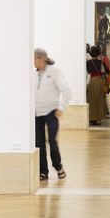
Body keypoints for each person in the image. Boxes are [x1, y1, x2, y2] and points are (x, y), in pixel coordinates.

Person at [34, 48, 70, 181]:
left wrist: (62, 107)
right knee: (39, 143)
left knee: (52, 141)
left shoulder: (54, 72)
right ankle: (43, 171)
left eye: (34, 59)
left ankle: (58, 167)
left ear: (42, 59)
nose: (33, 61)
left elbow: (67, 91)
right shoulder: (33, 74)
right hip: (37, 113)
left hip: (51, 112)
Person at [86, 45, 109, 126]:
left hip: (92, 81)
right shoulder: (101, 62)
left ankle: (92, 118)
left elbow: (88, 72)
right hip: (101, 81)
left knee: (92, 100)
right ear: (98, 53)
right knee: (100, 99)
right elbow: (107, 72)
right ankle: (99, 119)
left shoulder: (88, 62)